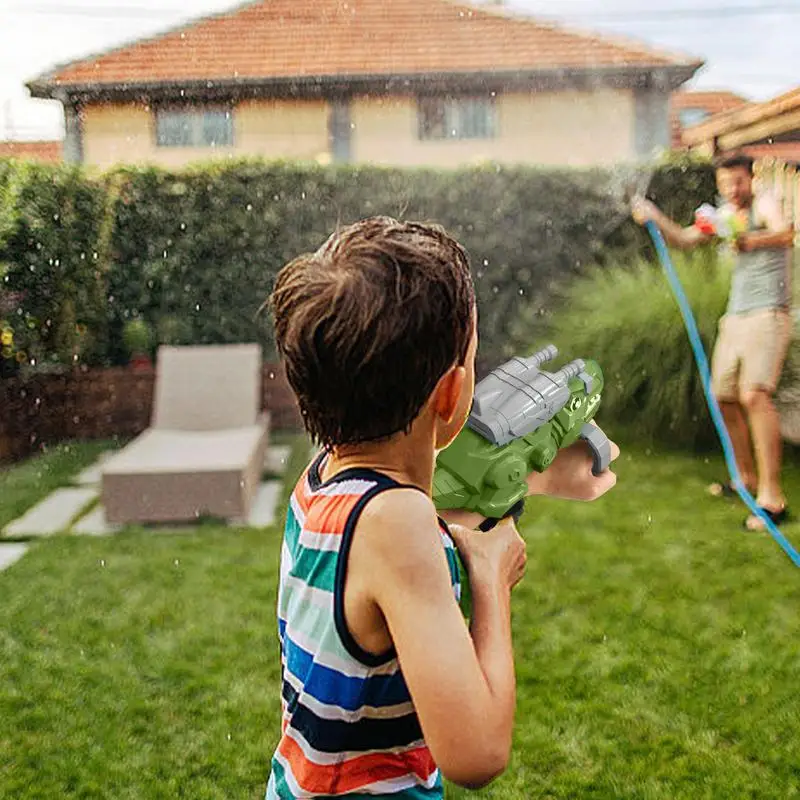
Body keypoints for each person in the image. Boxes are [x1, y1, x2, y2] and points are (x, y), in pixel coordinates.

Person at [264, 216, 619, 798]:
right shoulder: (394, 523)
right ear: (452, 393)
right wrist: (491, 580)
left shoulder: (324, 479)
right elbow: (477, 753)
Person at [632, 152, 795, 531]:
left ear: (750, 179)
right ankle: (745, 480)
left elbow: (785, 232)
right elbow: (687, 240)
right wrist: (653, 216)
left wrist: (748, 239)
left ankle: (772, 497)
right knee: (723, 395)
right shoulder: (723, 213)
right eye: (725, 184)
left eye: (737, 182)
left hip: (768, 312)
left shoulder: (764, 202)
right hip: (736, 316)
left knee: (755, 394)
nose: (732, 190)